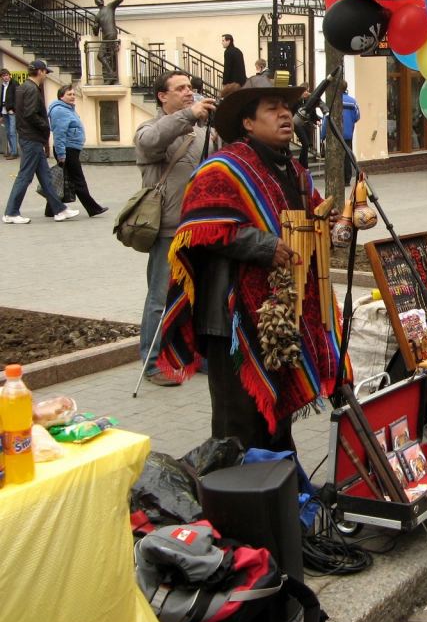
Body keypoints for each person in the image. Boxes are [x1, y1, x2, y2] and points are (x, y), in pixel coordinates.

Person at [155, 84, 344, 451]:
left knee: (276, 417)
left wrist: (329, 221)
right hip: (233, 317)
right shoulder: (223, 169)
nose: (286, 114)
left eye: (287, 108)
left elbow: (308, 216)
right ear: (247, 123)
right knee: (237, 422)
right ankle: (236, 498)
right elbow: (198, 228)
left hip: (278, 312)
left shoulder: (294, 170)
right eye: (273, 109)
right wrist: (263, 244)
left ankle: (277, 490)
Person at [134, 70, 217, 386]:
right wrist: (188, 114)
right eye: (180, 88)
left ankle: (199, 354)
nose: (188, 92)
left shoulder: (197, 134)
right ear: (162, 96)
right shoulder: (149, 129)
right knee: (160, 297)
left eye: (191, 88)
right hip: (168, 228)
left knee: (201, 294)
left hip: (199, 227)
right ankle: (152, 361)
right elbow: (152, 142)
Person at [3, 60, 79, 224]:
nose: (46, 75)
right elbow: (30, 114)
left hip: (29, 137)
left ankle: (59, 209)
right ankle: (11, 212)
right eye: (45, 72)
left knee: (45, 177)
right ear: (39, 71)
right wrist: (45, 126)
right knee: (25, 176)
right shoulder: (31, 89)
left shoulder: (23, 87)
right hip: (32, 138)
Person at [46, 85, 106, 217]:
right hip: (67, 150)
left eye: (73, 94)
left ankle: (50, 209)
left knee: (62, 179)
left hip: (71, 149)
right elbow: (59, 134)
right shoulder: (60, 111)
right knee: (78, 180)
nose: (73, 97)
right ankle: (93, 208)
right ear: (61, 96)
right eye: (69, 94)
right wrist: (61, 154)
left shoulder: (68, 109)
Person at [93, 0, 123, 84]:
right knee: (106, 56)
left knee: (103, 55)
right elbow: (96, 33)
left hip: (111, 34)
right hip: (106, 37)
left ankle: (112, 75)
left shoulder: (110, 7)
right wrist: (95, 28)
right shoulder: (97, 16)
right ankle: (112, 76)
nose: (100, 0)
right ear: (95, 3)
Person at [340, 80, 360, 184]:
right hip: (348, 133)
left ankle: (339, 177)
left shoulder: (335, 101)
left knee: (337, 156)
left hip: (337, 133)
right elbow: (357, 116)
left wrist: (323, 135)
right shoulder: (352, 101)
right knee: (347, 155)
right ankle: (347, 178)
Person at [1, 68, 17, 159]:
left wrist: (13, 109)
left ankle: (14, 152)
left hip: (11, 111)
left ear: (9, 75)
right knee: (7, 132)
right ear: (1, 77)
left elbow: (17, 98)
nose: (6, 77)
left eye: (7, 75)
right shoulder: (3, 86)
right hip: (4, 110)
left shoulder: (14, 84)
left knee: (12, 132)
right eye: (3, 76)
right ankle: (11, 151)